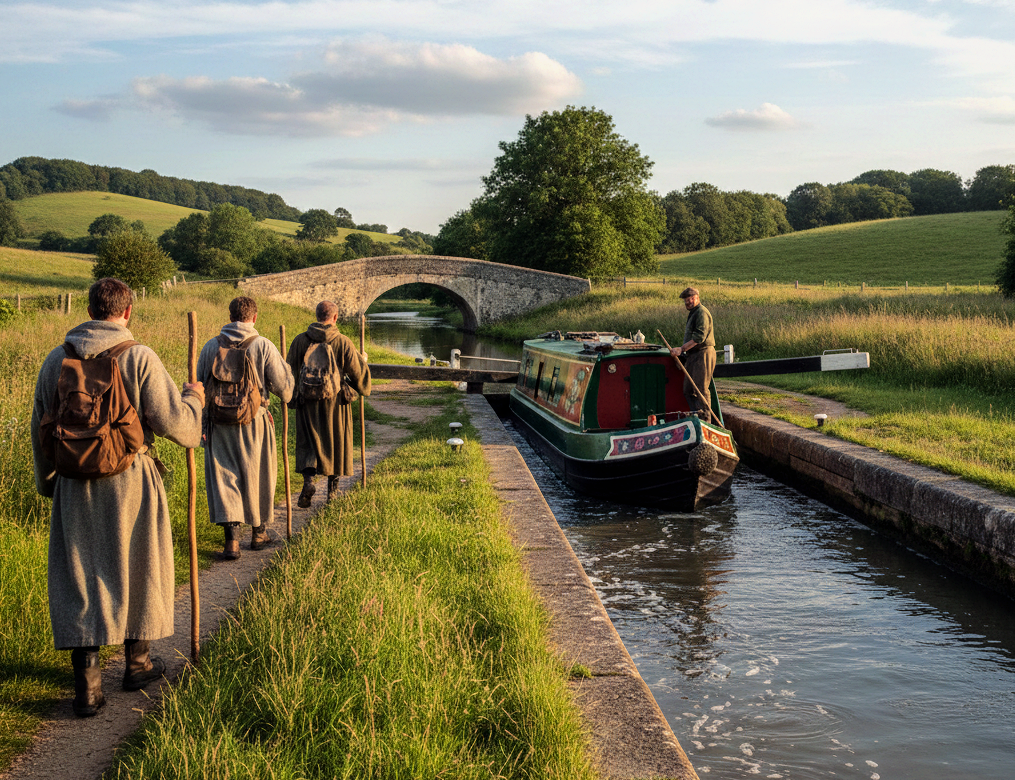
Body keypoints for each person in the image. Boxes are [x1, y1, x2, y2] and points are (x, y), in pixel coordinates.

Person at [30, 277, 204, 717]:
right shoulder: (139, 356)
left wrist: (47, 482)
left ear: (90, 309)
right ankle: (138, 665)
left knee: (80, 574)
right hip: (131, 478)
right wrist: (194, 399)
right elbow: (177, 426)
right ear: (127, 312)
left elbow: (40, 430)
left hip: (72, 483)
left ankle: (87, 687)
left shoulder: (56, 360)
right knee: (140, 563)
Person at [198, 296, 294, 560]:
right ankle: (258, 533)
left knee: (224, 476)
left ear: (230, 317)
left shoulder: (210, 347)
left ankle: (231, 542)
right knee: (259, 473)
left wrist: (201, 426)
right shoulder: (263, 345)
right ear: (254, 318)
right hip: (255, 421)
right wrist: (287, 372)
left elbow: (199, 388)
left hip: (218, 422)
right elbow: (285, 390)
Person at [286, 301, 371, 504]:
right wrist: (364, 362)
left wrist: (292, 396)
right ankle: (332, 494)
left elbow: (288, 371)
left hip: (307, 402)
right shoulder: (343, 342)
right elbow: (359, 376)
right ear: (335, 318)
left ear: (316, 316)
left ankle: (309, 482)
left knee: (308, 442)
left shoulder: (300, 341)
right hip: (336, 404)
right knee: (336, 443)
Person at [669, 287, 716, 423]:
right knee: (688, 389)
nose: (688, 302)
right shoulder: (694, 313)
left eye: (690, 299)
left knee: (701, 388)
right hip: (693, 355)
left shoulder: (701, 312)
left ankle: (706, 420)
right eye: (685, 300)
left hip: (703, 353)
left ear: (697, 297)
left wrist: (681, 349)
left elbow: (699, 337)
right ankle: (697, 417)